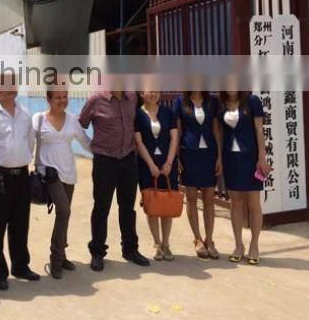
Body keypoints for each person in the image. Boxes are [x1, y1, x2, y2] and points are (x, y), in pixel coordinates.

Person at [0, 83, 39, 290]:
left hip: (21, 175)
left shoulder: (25, 113)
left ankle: (20, 266)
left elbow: (30, 142)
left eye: (13, 85)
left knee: (20, 223)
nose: (9, 90)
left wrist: (22, 159)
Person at [79, 91, 150, 271]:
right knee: (101, 208)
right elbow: (80, 124)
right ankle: (97, 252)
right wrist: (90, 145)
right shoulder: (96, 100)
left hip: (128, 160)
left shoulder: (132, 98)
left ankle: (130, 249)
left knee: (128, 208)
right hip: (104, 161)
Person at [33, 89, 91, 279]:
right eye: (58, 97)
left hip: (68, 172)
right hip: (49, 173)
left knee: (63, 215)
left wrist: (104, 152)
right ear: (48, 99)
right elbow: (26, 143)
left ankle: (62, 255)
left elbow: (85, 142)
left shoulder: (73, 120)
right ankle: (56, 258)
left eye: (65, 96)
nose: (62, 100)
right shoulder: (38, 119)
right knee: (64, 211)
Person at [219, 92, 270, 265]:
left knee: (253, 203)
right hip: (231, 158)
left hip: (250, 157)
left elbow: (259, 130)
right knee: (235, 203)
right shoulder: (221, 104)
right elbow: (220, 132)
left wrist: (262, 157)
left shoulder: (252, 101)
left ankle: (254, 245)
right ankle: (238, 245)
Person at [173, 92, 222, 259]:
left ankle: (210, 239)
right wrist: (176, 156)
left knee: (209, 198)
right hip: (189, 153)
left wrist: (219, 156)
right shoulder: (180, 102)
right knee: (192, 197)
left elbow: (216, 129)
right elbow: (178, 131)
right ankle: (197, 239)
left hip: (209, 153)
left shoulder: (212, 102)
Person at [135, 91, 180, 261]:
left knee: (167, 203)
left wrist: (169, 163)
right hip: (147, 165)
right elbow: (138, 141)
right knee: (152, 204)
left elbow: (174, 138)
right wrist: (151, 165)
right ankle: (157, 244)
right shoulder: (137, 114)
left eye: (156, 90)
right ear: (142, 93)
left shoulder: (168, 112)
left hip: (168, 164)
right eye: (150, 91)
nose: (153, 94)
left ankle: (166, 243)